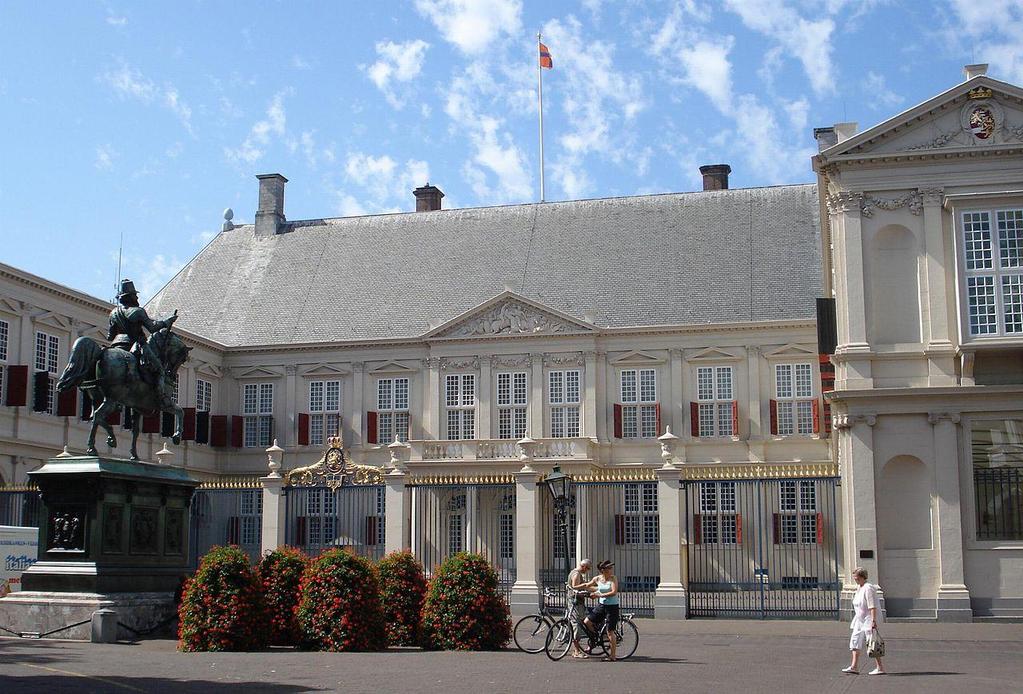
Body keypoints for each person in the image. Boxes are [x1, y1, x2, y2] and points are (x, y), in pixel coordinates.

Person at [107, 278, 177, 398]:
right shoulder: (138, 311)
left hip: (116, 345)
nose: (137, 298)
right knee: (160, 370)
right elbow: (152, 328)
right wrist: (167, 321)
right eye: (135, 295)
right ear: (130, 297)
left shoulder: (113, 313)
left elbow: (110, 336)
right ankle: (160, 398)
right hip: (135, 346)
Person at [843, 567, 886, 675]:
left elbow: (872, 606)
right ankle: (854, 666)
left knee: (871, 642)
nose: (855, 580)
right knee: (855, 639)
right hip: (859, 618)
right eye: (854, 578)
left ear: (863, 577)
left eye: (857, 578)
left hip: (868, 618)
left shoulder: (868, 588)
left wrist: (873, 620)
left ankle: (880, 667)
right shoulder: (859, 588)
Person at [584, 560, 620, 662]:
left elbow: (613, 592)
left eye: (611, 568)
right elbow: (588, 585)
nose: (611, 570)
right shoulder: (598, 578)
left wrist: (598, 595)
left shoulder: (613, 578)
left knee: (610, 631)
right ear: (603, 570)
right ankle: (597, 637)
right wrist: (575, 588)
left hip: (612, 607)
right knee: (587, 621)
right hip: (602, 605)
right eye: (609, 568)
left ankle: (612, 656)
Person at [566, 558, 592, 658]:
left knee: (581, 622)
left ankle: (578, 648)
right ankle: (576, 651)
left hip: (574, 602)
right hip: (576, 603)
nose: (587, 570)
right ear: (584, 566)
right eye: (588, 568)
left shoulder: (574, 572)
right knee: (576, 624)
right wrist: (587, 592)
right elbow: (575, 588)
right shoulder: (576, 574)